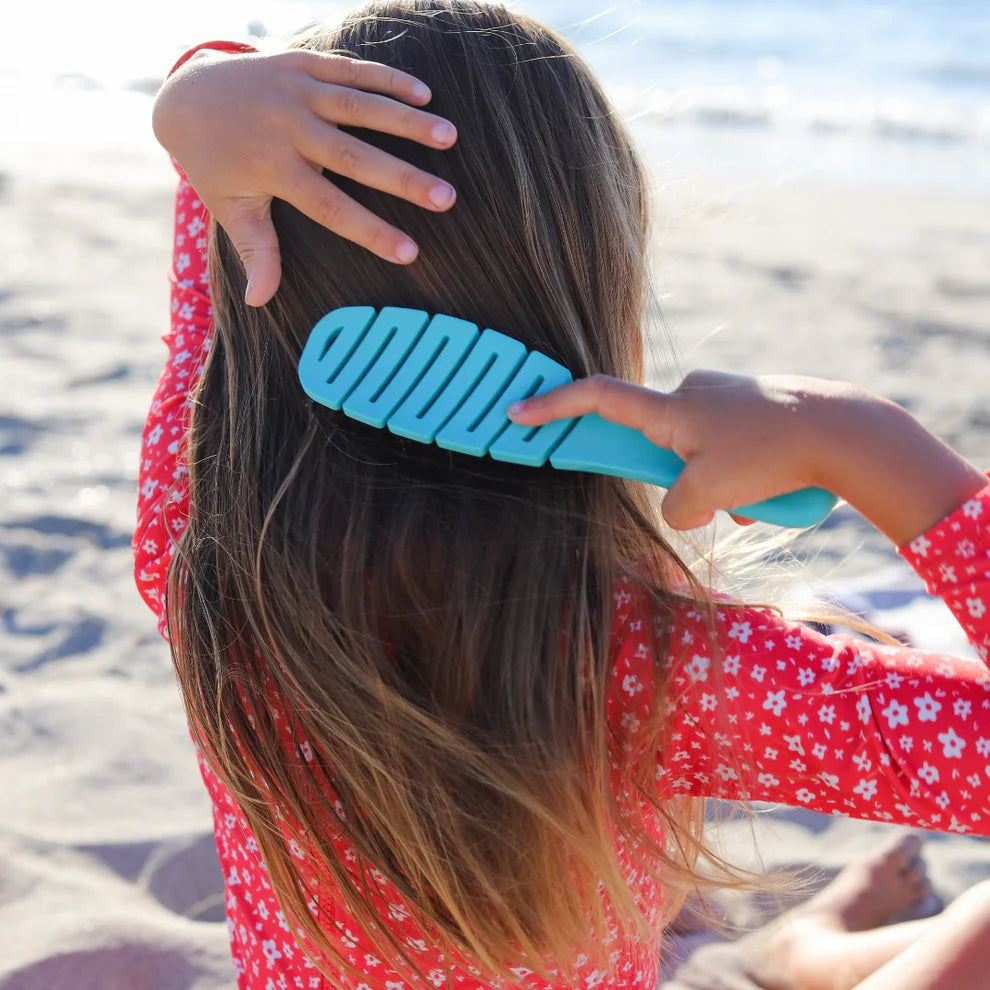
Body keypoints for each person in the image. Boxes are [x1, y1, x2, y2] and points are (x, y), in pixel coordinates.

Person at [137, 2, 990, 989]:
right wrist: (868, 444)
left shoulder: (197, 538)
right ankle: (809, 952)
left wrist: (192, 92)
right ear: (594, 281)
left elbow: (226, 222)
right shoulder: (655, 671)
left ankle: (807, 950)